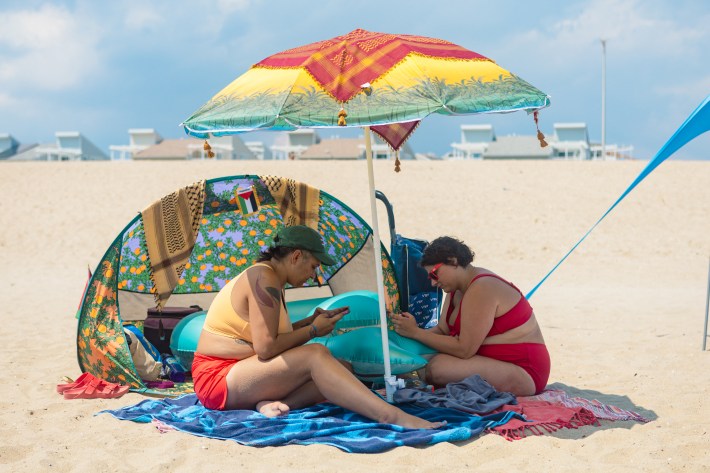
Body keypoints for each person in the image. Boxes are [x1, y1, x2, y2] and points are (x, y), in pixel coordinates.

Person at [192, 225, 442, 429]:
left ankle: (274, 404)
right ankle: (391, 416)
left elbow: (273, 338)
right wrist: (313, 331)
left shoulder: (271, 279)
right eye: (313, 266)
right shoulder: (263, 278)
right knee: (316, 355)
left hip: (241, 373)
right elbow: (267, 348)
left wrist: (309, 322)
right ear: (296, 256)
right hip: (217, 378)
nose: (314, 276)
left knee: (341, 368)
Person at [391, 236, 550, 396]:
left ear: (453, 261)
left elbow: (464, 349)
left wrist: (416, 333)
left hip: (524, 372)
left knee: (438, 368)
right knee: (414, 359)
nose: (433, 283)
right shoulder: (456, 288)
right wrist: (406, 337)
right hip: (497, 364)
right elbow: (442, 330)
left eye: (434, 274)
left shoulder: (482, 287)